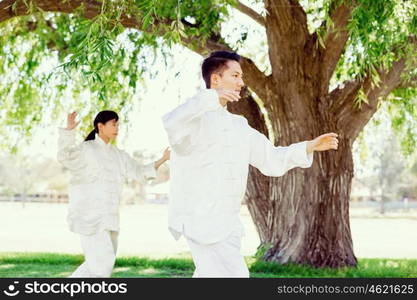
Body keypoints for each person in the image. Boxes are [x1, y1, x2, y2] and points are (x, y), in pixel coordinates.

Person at [162, 51, 338, 277]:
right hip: (201, 220)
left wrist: (308, 146)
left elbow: (271, 159)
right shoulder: (193, 119)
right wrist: (210, 98)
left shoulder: (239, 126)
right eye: (235, 76)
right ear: (216, 79)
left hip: (228, 224)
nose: (241, 83)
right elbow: (172, 123)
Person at [57, 110, 170, 277]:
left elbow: (139, 172)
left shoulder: (118, 155)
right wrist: (69, 130)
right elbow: (65, 156)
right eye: (113, 124)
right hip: (90, 216)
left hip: (111, 217)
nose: (117, 128)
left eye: (118, 124)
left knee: (98, 265)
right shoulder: (86, 150)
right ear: (100, 126)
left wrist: (163, 159)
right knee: (102, 265)